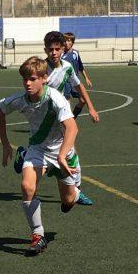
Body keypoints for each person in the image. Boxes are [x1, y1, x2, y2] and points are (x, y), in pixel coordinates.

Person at [0, 56, 80, 255]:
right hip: (38, 149)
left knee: (67, 201)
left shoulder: (55, 98)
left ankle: (75, 192)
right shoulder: (19, 100)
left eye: (32, 78)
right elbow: (0, 110)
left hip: (62, 151)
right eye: (25, 79)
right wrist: (6, 144)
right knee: (27, 186)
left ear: (44, 78)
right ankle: (38, 235)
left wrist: (61, 156)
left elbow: (72, 128)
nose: (27, 83)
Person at [43, 31, 99, 206]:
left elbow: (79, 85)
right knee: (43, 152)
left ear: (62, 50)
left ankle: (77, 190)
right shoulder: (41, 68)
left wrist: (90, 107)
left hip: (61, 116)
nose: (54, 52)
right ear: (45, 50)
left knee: (71, 153)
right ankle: (24, 156)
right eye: (50, 49)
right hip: (43, 119)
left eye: (57, 49)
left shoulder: (67, 67)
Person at [61, 32, 93, 117]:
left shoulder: (75, 53)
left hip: (75, 81)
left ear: (72, 42)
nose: (66, 43)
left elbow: (80, 66)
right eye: (65, 41)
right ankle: (67, 124)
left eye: (69, 40)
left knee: (83, 100)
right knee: (67, 106)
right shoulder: (60, 55)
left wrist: (86, 78)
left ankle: (73, 117)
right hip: (65, 83)